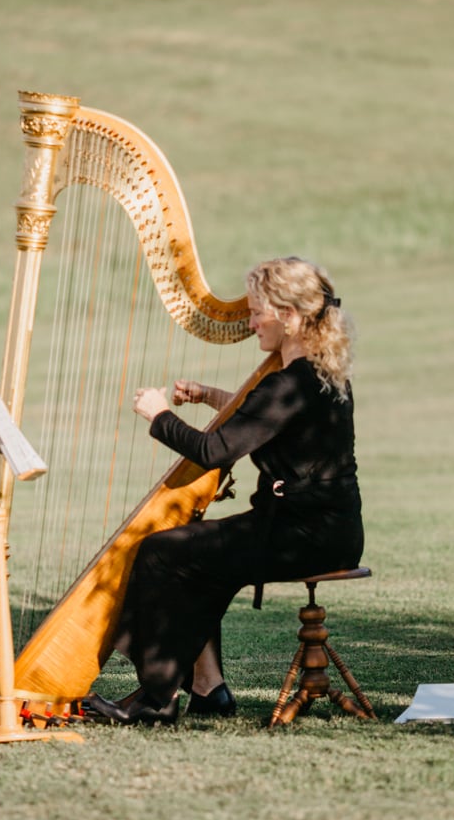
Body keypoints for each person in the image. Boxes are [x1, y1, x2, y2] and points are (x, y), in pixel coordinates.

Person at [85, 255, 364, 726]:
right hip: (325, 529)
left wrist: (159, 415)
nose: (251, 322)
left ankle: (156, 698)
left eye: (258, 312)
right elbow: (262, 420)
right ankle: (207, 688)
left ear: (289, 317)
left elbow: (215, 451)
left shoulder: (289, 384)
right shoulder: (314, 375)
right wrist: (211, 395)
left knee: (161, 552)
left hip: (303, 535)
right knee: (199, 555)